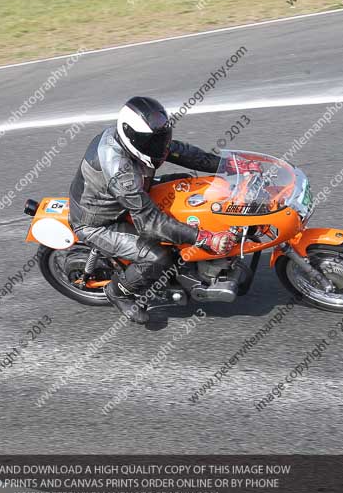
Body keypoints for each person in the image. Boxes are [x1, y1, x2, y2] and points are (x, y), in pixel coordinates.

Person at [68, 96, 254, 324]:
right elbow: (150, 223)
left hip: (132, 193)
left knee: (186, 185)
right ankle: (118, 292)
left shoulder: (141, 140)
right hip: (99, 222)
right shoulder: (119, 170)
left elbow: (181, 153)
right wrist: (205, 238)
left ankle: (191, 264)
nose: (160, 147)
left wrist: (228, 166)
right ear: (132, 137)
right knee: (157, 257)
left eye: (162, 139)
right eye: (154, 142)